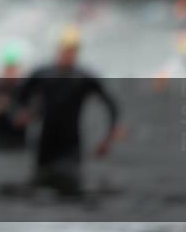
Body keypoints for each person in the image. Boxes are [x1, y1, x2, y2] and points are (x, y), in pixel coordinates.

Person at [13, 26, 123, 196]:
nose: (68, 54)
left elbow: (111, 104)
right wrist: (24, 113)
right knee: (40, 185)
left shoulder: (84, 77)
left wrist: (109, 135)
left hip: (70, 144)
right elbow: (19, 97)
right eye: (65, 50)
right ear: (59, 49)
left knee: (70, 188)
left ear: (77, 52)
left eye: (72, 51)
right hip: (45, 142)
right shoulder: (42, 73)